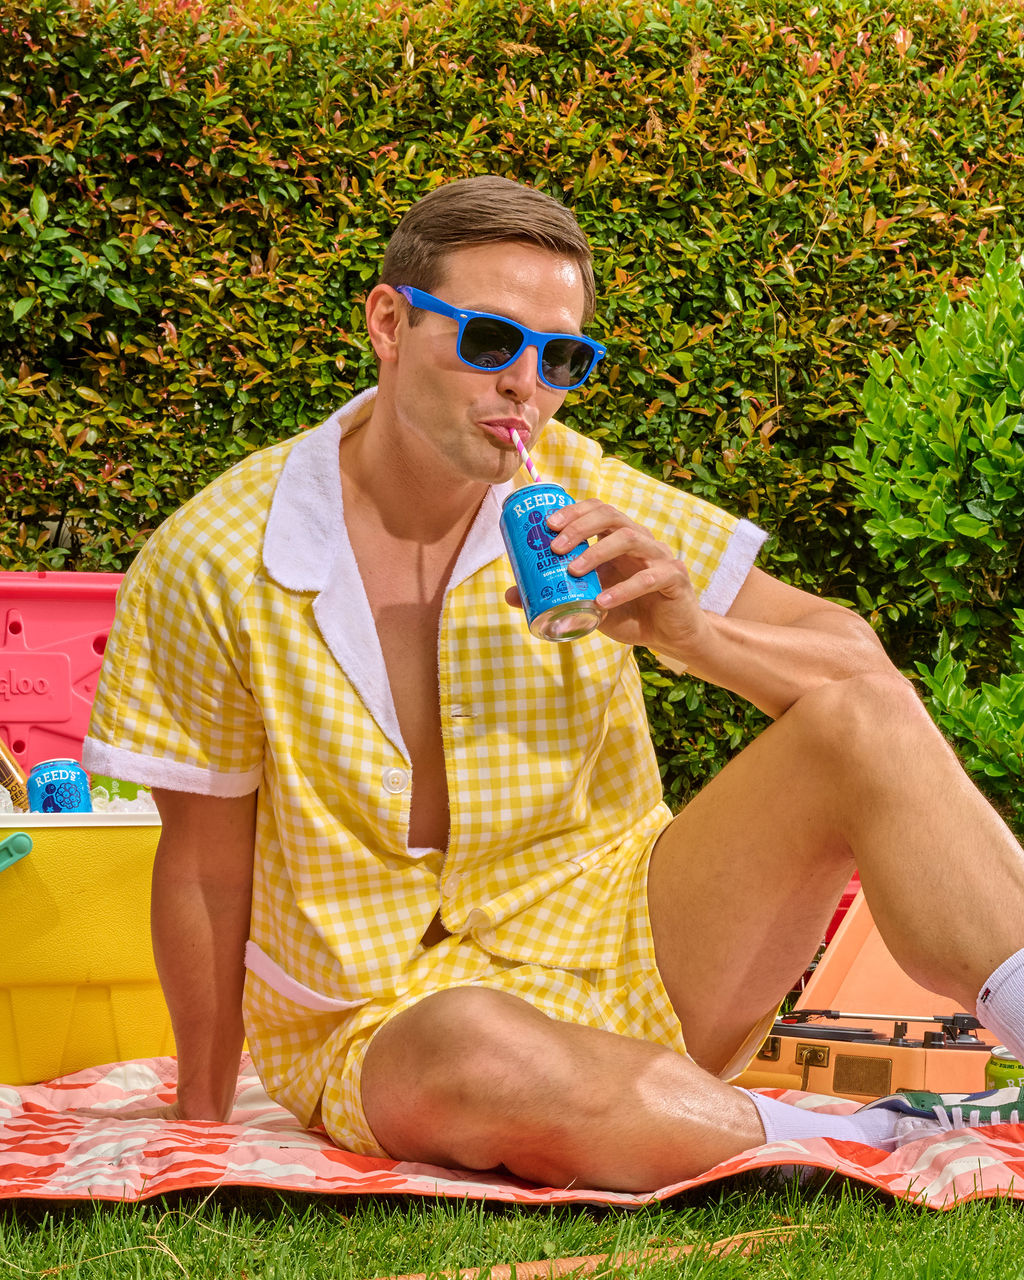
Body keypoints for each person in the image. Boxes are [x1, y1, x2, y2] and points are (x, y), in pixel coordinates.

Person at [83, 175, 1024, 1192]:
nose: (525, 385)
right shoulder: (219, 556)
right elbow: (205, 866)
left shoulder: (582, 492)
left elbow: (856, 662)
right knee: (473, 1047)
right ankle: (867, 1133)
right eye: (490, 341)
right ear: (389, 322)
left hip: (631, 942)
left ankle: (725, 1112)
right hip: (385, 1023)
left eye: (561, 357)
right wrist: (202, 1121)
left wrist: (695, 635)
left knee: (862, 716)